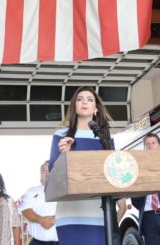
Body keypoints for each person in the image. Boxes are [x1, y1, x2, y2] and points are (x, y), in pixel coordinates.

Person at [48, 86, 126, 245]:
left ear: (95, 108)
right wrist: (64, 154)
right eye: (80, 99)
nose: (84, 102)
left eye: (90, 100)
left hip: (97, 213)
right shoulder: (61, 135)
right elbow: (52, 173)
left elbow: (114, 173)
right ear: (74, 106)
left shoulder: (105, 139)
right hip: (69, 212)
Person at [18, 161, 58, 245]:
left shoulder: (66, 192)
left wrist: (56, 219)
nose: (46, 173)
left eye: (49, 169)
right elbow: (25, 210)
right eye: (43, 170)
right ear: (40, 173)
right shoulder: (31, 191)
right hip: (38, 242)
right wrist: (41, 220)